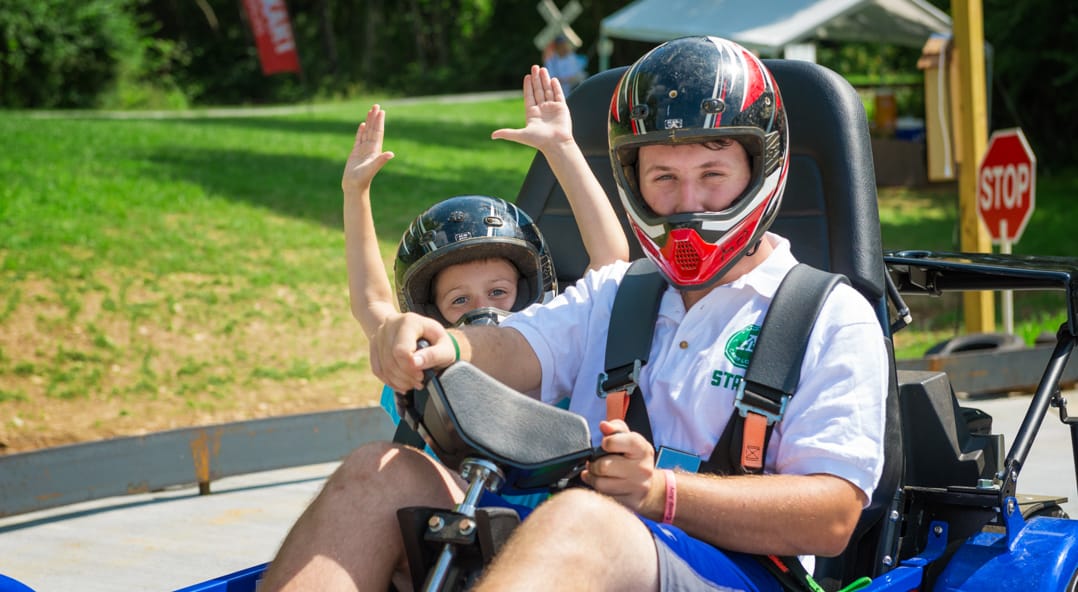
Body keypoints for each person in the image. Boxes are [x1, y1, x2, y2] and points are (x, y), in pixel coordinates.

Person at [261, 36, 888, 591]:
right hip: (571, 550)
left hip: (734, 571)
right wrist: (438, 343)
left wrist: (663, 493)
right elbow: (514, 350)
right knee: (382, 469)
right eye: (663, 177)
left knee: (585, 517)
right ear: (632, 179)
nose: (686, 203)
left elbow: (833, 514)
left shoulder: (830, 316)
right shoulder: (618, 292)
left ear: (759, 170)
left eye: (713, 174)